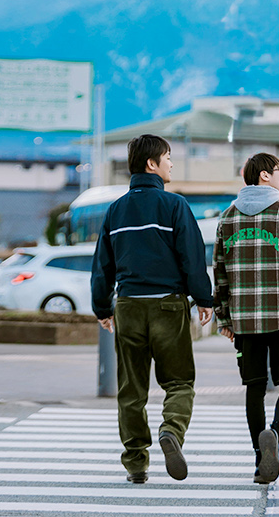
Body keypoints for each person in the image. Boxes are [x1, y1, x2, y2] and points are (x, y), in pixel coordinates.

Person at [90, 134, 217, 484]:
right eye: (168, 157)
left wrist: (102, 307)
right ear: (152, 164)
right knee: (178, 382)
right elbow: (192, 259)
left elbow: (102, 265)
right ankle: (172, 431)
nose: (171, 163)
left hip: (128, 306)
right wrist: (204, 299)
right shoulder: (174, 205)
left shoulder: (115, 209)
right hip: (167, 306)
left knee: (131, 389)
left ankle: (136, 463)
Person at [214, 152, 279, 485]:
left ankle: (261, 462)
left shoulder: (227, 218)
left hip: (245, 319)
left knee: (254, 387)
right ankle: (275, 431)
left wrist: (224, 317)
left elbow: (219, 274)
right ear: (263, 176)